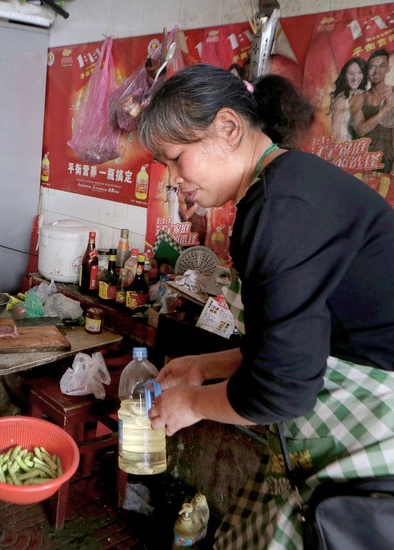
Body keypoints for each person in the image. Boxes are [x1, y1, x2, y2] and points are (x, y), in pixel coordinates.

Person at [138, 64, 394, 549]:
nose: (173, 180)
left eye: (175, 159)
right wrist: (200, 367)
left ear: (229, 128)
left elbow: (282, 392)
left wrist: (193, 404)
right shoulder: (286, 185)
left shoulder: (279, 207)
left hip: (379, 425)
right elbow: (291, 344)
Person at [350, 49, 394, 173]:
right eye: (372, 67)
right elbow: (361, 130)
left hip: (388, 162)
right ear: (367, 71)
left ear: (388, 69)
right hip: (363, 162)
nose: (376, 71)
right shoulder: (358, 99)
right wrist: (386, 108)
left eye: (381, 66)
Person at [329, 57, 367, 142]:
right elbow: (335, 133)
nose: (355, 78)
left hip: (362, 147)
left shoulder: (363, 94)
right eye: (351, 73)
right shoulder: (342, 100)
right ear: (345, 75)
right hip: (346, 148)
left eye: (360, 72)